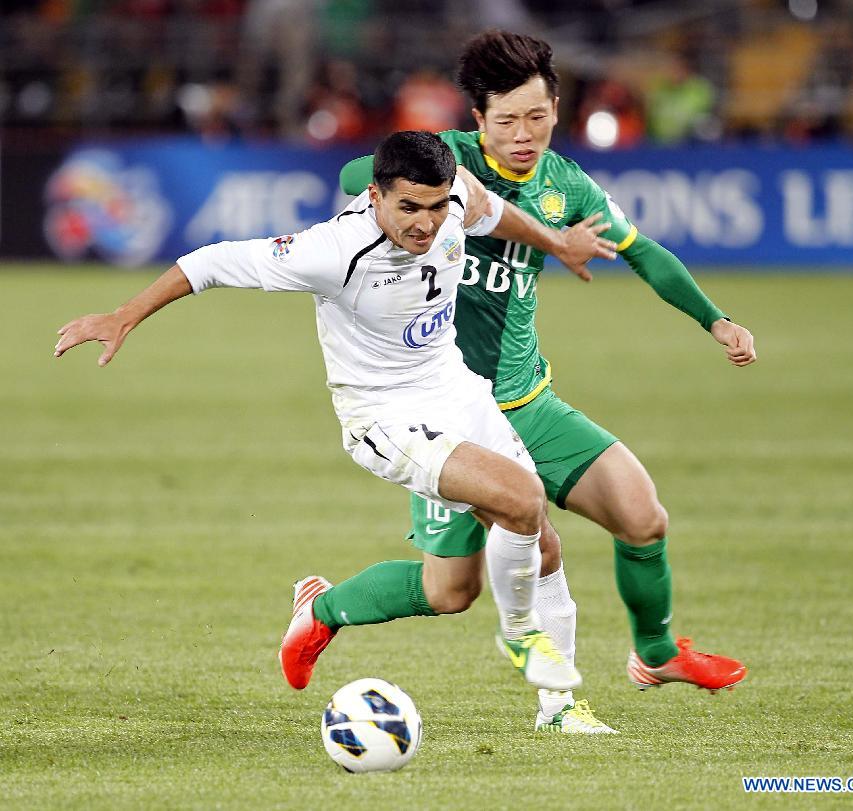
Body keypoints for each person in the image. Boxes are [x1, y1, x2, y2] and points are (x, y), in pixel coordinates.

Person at [54, 130, 619, 700]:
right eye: (407, 208)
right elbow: (211, 262)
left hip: (455, 390)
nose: (425, 223)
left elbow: (494, 213)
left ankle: (557, 711)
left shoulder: (455, 199)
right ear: (375, 196)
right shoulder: (331, 249)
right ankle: (520, 635)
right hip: (385, 419)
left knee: (526, 550)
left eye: (435, 207)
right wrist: (123, 316)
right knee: (523, 499)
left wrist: (555, 243)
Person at [339, 30, 757, 734]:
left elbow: (642, 251)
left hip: (529, 399)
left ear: (557, 108)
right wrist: (444, 184)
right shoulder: (445, 165)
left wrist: (715, 321)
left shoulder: (566, 185)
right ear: (476, 119)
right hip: (448, 419)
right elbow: (358, 173)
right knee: (450, 590)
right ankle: (321, 608)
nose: (523, 135)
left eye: (537, 117)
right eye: (505, 121)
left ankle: (651, 656)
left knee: (643, 516)